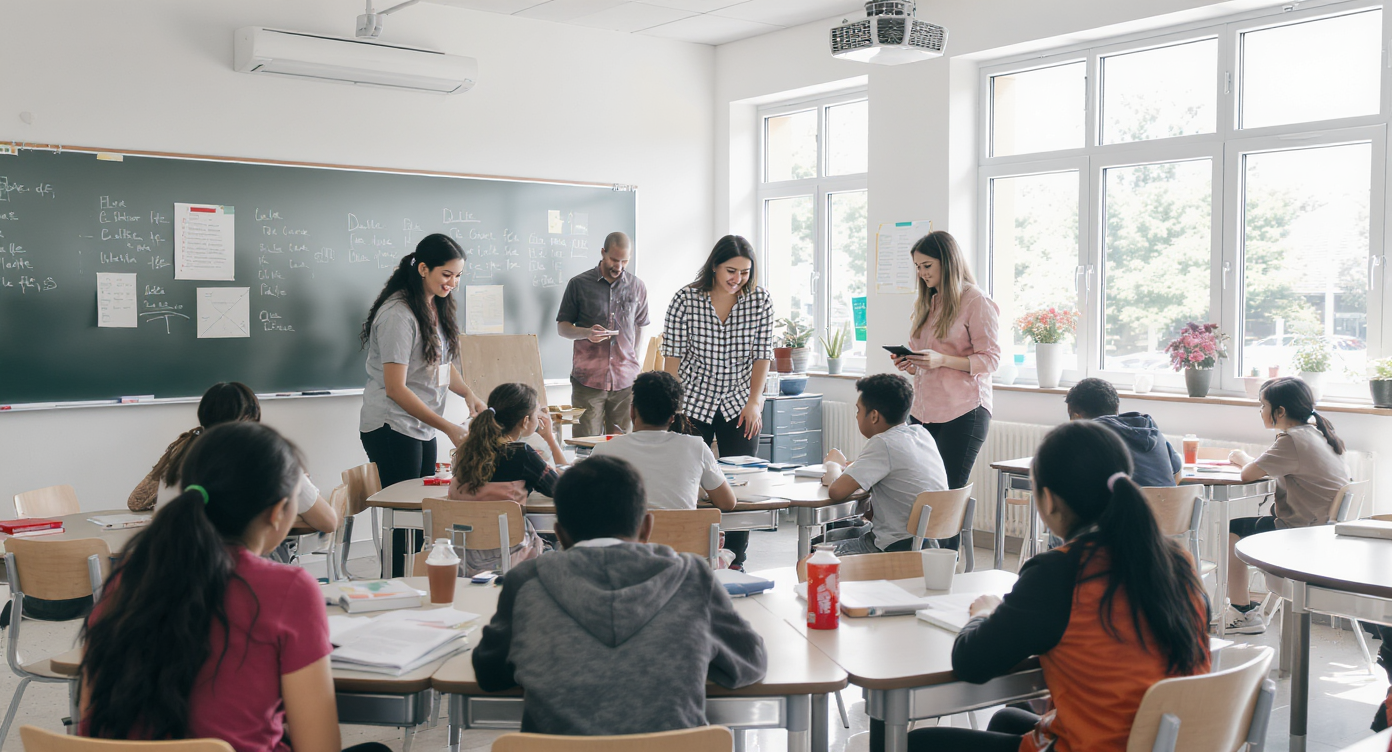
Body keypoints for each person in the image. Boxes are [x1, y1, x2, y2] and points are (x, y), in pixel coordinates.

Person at [81, 422, 387, 752]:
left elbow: (90, 721)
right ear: (278, 512)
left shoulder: (128, 578)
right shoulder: (290, 590)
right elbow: (319, 747)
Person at [906, 421, 1210, 752]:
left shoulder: (1061, 571)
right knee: (1009, 720)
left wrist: (984, 613)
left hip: (1101, 746)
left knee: (914, 743)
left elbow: (971, 663)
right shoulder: (1177, 562)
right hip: (1169, 743)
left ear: (1048, 500)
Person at [471, 455, 767, 735]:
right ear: (647, 527)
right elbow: (749, 662)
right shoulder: (692, 576)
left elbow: (490, 673)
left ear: (559, 535)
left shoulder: (526, 581)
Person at [359, 233, 486, 574]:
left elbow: (440, 365)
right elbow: (396, 389)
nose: (453, 283)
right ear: (423, 268)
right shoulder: (399, 315)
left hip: (421, 426)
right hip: (392, 426)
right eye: (447, 275)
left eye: (458, 276)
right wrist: (447, 427)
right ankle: (395, 585)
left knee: (423, 516)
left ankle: (415, 584)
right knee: (403, 521)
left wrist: (468, 394)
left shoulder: (433, 304)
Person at [661, 235, 774, 568]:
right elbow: (673, 357)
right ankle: (687, 550)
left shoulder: (760, 300)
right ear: (714, 266)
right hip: (693, 399)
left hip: (740, 402)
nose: (736, 278)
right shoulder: (686, 299)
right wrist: (671, 407)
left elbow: (762, 355)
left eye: (744, 272)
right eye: (730, 270)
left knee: (740, 482)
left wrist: (755, 401)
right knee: (686, 477)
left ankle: (736, 558)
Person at [1224, 376, 1348, 635]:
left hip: (1301, 536)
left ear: (1279, 411)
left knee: (1233, 531)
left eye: (1262, 405)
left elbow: (1247, 474)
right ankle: (1244, 611)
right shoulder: (1317, 434)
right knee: (1242, 527)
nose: (1260, 411)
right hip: (1323, 532)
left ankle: (1241, 613)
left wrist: (1242, 458)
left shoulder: (1292, 441)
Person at [126, 382, 338, 534]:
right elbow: (328, 522)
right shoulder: (271, 457)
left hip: (173, 564)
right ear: (249, 418)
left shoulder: (183, 451)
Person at [891, 230, 999, 493]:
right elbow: (927, 358)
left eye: (927, 265)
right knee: (921, 490)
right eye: (917, 267)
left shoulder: (976, 300)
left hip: (964, 411)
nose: (921, 273)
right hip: (924, 411)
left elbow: (991, 360)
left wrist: (942, 360)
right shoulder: (928, 303)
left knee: (947, 493)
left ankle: (951, 538)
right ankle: (924, 538)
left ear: (948, 261)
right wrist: (912, 363)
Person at [819, 373, 948, 554]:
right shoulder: (920, 433)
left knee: (815, 553)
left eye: (858, 411)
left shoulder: (883, 442)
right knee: (833, 536)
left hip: (895, 547)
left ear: (874, 416)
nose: (856, 417)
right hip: (926, 542)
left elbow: (836, 491)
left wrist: (832, 465)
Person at [449, 382, 567, 575]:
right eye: (537, 414)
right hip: (511, 559)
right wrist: (550, 439)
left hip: (463, 559)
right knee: (556, 540)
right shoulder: (522, 455)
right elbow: (561, 490)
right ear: (525, 421)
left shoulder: (466, 452)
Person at [590, 371, 736, 511]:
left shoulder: (604, 451)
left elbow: (583, 501)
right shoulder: (696, 447)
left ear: (632, 411)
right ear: (672, 417)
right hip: (682, 535)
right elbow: (727, 503)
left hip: (626, 536)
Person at [556, 231, 650, 436]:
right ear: (602, 253)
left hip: (625, 382)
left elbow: (640, 325)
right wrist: (586, 333)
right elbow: (562, 327)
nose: (619, 266)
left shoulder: (638, 287)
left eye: (624, 261)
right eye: (614, 259)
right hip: (587, 381)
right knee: (585, 445)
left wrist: (634, 358)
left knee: (623, 449)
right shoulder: (578, 284)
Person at [1065, 377, 1182, 487]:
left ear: (1077, 417)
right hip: (1169, 507)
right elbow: (1176, 467)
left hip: (1122, 507)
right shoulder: (1149, 428)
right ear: (1117, 408)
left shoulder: (1087, 437)